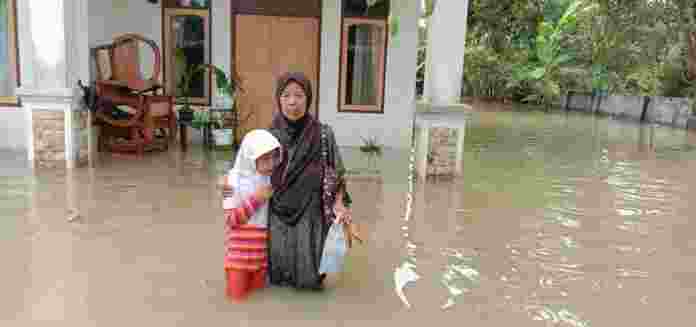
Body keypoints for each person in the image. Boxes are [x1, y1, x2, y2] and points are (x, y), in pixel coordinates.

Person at [267, 72, 353, 290]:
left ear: (309, 99)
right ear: (278, 99)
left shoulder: (324, 134)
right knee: (278, 280)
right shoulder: (268, 137)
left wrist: (340, 204)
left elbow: (337, 174)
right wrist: (229, 188)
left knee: (309, 281)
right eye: (286, 95)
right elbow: (250, 175)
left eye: (299, 95)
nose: (292, 102)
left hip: (311, 215)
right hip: (278, 215)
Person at [222, 129, 282, 301]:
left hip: (261, 257)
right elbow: (230, 220)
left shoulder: (269, 179)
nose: (271, 164)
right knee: (236, 300)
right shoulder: (230, 181)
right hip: (238, 259)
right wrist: (256, 199)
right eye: (265, 158)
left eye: (273, 157)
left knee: (258, 301)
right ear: (249, 157)